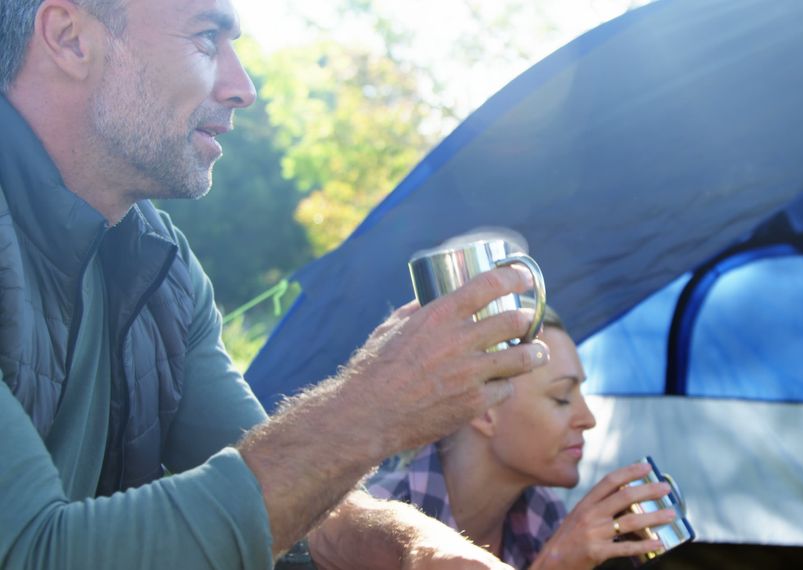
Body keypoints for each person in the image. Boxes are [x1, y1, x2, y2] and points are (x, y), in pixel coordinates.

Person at [0, 0, 549, 568]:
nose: (243, 89)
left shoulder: (159, 262)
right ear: (69, 38)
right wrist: (375, 404)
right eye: (206, 38)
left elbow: (283, 500)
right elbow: (34, 555)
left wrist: (419, 548)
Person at [362, 308, 678, 570]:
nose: (588, 419)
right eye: (561, 397)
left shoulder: (543, 512)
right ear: (483, 410)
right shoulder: (370, 522)